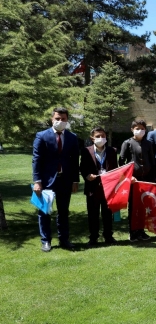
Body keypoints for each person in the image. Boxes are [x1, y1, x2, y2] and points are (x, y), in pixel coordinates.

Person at [32, 107, 80, 252]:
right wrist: (37, 181)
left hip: (65, 180)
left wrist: (75, 180)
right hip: (46, 181)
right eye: (57, 119)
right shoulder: (42, 136)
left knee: (63, 212)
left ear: (67, 120)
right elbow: (36, 159)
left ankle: (64, 239)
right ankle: (46, 241)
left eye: (63, 119)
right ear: (52, 119)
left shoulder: (72, 137)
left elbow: (74, 161)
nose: (60, 121)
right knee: (44, 211)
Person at [80, 127, 118, 246]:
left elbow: (116, 169)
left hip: (108, 189)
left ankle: (108, 236)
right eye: (97, 136)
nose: (100, 138)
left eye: (103, 136)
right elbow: (82, 168)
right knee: (93, 214)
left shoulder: (112, 151)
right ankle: (93, 238)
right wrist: (87, 176)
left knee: (107, 214)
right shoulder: (86, 151)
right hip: (93, 188)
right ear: (92, 138)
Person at [119, 119, 155, 241]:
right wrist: (129, 176)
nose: (140, 131)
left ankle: (141, 231)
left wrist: (151, 177)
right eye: (137, 128)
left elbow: (152, 161)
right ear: (132, 130)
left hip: (146, 179)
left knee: (144, 206)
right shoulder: (127, 143)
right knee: (134, 207)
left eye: (142, 128)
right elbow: (121, 163)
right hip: (133, 180)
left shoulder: (148, 144)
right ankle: (133, 232)